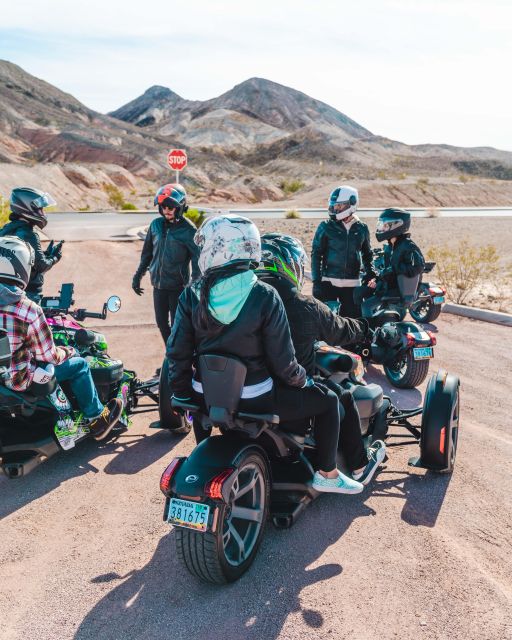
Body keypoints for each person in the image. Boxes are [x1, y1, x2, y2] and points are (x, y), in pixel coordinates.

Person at [166, 214, 363, 494]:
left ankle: (204, 453)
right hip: (255, 399)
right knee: (329, 399)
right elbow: (283, 363)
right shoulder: (264, 295)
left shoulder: (191, 294)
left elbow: (177, 352)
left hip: (204, 395)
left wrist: (182, 392)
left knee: (201, 401)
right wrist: (304, 381)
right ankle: (328, 474)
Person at [257, 233, 386, 485]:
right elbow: (340, 330)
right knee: (341, 395)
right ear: (291, 265)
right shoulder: (305, 306)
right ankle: (359, 465)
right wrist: (364, 328)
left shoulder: (244, 301)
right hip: (290, 404)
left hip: (247, 394)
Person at [0, 236, 122, 440]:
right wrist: (67, 351)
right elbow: (48, 356)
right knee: (79, 364)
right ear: (20, 266)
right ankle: (97, 418)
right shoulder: (27, 309)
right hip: (19, 380)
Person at [132, 183, 200, 344]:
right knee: (162, 324)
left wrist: (193, 286)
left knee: (179, 326)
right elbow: (147, 254)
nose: (167, 210)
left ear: (180, 207)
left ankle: (178, 356)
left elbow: (198, 261)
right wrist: (137, 276)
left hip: (178, 288)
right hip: (158, 286)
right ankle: (171, 353)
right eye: (163, 206)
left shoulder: (189, 230)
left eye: (171, 206)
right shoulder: (155, 225)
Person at [311, 185, 376, 318]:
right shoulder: (325, 226)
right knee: (327, 323)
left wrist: (370, 274)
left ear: (352, 204)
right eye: (334, 205)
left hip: (352, 284)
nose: (335, 208)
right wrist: (316, 282)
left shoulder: (362, 228)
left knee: (352, 324)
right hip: (328, 283)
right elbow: (316, 255)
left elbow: (367, 254)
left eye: (339, 206)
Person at [0, 187, 63, 304]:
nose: (43, 212)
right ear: (28, 207)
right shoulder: (29, 233)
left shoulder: (4, 230)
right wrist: (54, 257)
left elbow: (18, 258)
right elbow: (41, 266)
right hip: (27, 294)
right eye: (40, 209)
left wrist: (45, 254)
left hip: (4, 291)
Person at [358, 208, 425, 306]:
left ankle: (366, 321)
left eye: (385, 226)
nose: (382, 229)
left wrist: (394, 269)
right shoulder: (389, 247)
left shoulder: (409, 246)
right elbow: (387, 270)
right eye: (381, 225)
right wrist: (376, 279)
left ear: (396, 226)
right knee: (357, 293)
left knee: (366, 306)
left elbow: (418, 267)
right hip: (386, 286)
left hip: (397, 290)